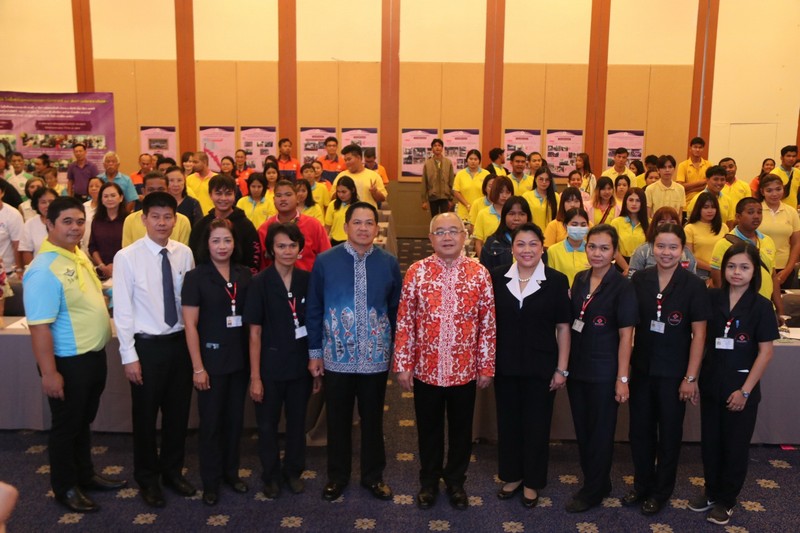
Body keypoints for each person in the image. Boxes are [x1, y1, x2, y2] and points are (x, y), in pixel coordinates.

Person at [23, 196, 125, 513]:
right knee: (67, 427)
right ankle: (65, 487)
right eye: (67, 222)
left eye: (80, 221)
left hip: (91, 355)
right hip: (67, 361)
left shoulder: (76, 254)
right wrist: (49, 373)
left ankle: (85, 475)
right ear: (48, 224)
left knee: (82, 423)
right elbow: (39, 327)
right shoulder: (43, 269)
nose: (75, 228)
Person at [394, 212, 495, 510]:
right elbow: (405, 321)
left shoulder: (480, 273)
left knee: (462, 431)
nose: (447, 237)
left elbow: (488, 324)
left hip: (465, 370)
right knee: (429, 429)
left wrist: (486, 365)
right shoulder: (417, 271)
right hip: (426, 369)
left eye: (453, 231)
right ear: (430, 238)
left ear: (464, 236)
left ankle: (455, 482)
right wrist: (403, 364)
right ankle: (428, 481)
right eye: (440, 232)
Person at [307, 202, 402, 502]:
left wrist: (397, 351)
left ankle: (373, 476)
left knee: (373, 420)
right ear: (346, 226)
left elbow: (396, 310)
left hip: (375, 356)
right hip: (337, 355)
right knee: (338, 420)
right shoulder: (325, 261)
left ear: (377, 227)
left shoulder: (388, 263)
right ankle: (338, 476)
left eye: (369, 222)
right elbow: (314, 308)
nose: (363, 228)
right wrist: (315, 352)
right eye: (357, 222)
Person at [113, 192, 197, 508]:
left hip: (179, 344)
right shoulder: (127, 257)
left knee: (178, 415)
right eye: (156, 217)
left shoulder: (184, 253)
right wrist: (129, 356)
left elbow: (189, 303)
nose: (162, 223)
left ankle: (172, 472)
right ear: (144, 219)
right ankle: (147, 478)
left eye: (168, 217)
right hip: (146, 347)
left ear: (176, 220)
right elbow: (123, 310)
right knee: (146, 417)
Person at [688, 243, 778, 526]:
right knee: (711, 443)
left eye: (744, 267)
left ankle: (727, 500)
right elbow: (701, 340)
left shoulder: (761, 306)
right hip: (712, 382)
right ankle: (711, 491)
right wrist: (694, 378)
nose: (736, 272)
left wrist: (745, 391)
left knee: (734, 446)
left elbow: (766, 352)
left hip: (741, 387)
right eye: (731, 266)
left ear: (754, 272)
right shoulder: (712, 297)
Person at [624, 224, 710, 515]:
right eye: (661, 246)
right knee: (639, 432)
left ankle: (661, 492)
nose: (666, 252)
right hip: (642, 368)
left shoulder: (694, 285)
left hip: (675, 373)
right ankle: (642, 485)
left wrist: (691, 377)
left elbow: (699, 334)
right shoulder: (640, 279)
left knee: (669, 435)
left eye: (673, 247)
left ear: (683, 250)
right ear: (652, 247)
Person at [491, 223, 570, 508]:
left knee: (537, 425)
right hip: (505, 365)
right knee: (508, 423)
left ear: (542, 247)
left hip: (542, 367)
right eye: (521, 244)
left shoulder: (557, 280)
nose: (527, 250)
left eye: (533, 243)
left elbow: (563, 327)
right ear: (512, 248)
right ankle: (512, 475)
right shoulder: (496, 277)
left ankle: (533, 481)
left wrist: (561, 369)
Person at [565, 224, 637, 513]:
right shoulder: (580, 279)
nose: (597, 253)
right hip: (578, 368)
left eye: (604, 248)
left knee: (600, 432)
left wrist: (622, 378)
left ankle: (593, 490)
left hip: (605, 371)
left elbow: (626, 336)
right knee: (583, 429)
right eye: (592, 246)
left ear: (615, 252)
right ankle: (598, 481)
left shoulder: (623, 286)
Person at [182, 218, 251, 506]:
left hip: (239, 361)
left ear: (235, 243)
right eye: (216, 241)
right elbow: (190, 325)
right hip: (210, 363)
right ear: (206, 244)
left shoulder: (245, 274)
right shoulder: (196, 277)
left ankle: (231, 473)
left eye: (227, 240)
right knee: (211, 424)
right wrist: (198, 367)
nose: (222, 246)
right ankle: (210, 481)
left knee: (235, 421)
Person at [245, 222, 314, 499]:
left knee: (297, 424)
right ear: (271, 250)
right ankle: (271, 475)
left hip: (300, 366)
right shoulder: (259, 282)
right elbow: (254, 333)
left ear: (300, 249)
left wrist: (316, 366)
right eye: (281, 246)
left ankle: (293, 471)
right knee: (267, 426)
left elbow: (314, 324)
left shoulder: (307, 280)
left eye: (292, 245)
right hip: (269, 368)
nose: (287, 251)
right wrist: (255, 377)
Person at [709, 198, 780, 316]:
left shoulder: (768, 241)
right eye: (751, 212)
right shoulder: (724, 243)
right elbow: (718, 281)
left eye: (759, 212)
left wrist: (780, 309)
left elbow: (773, 277)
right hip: (737, 308)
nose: (756, 216)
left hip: (765, 307)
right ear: (738, 216)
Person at [189, 175, 261, 275]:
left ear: (235, 195)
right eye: (218, 193)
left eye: (228, 194)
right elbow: (194, 258)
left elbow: (253, 259)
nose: (223, 198)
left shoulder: (246, 226)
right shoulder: (201, 226)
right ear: (210, 195)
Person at [257, 180, 330, 271]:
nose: (283, 199)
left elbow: (327, 258)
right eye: (278, 195)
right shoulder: (264, 229)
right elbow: (262, 265)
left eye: (288, 195)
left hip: (309, 278)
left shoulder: (314, 225)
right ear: (274, 200)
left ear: (297, 198)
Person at [121, 171, 193, 247]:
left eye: (161, 189)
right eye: (151, 190)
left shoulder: (182, 221)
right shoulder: (130, 220)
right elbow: (127, 251)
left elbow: (182, 251)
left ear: (168, 190)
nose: (156, 194)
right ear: (143, 191)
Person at [757, 174, 800, 289]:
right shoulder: (756, 210)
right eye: (769, 190)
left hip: (784, 268)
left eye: (778, 189)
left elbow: (796, 243)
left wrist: (788, 269)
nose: (774, 194)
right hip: (759, 266)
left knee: (783, 299)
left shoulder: (791, 212)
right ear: (762, 192)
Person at [628, 207, 697, 277]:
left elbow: (692, 279)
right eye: (662, 222)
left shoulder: (686, 253)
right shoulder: (642, 251)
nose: (667, 225)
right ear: (655, 225)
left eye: (672, 222)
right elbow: (632, 278)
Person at [479, 196, 532, 271]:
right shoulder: (492, 243)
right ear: (504, 217)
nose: (516, 218)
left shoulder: (536, 243)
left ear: (528, 217)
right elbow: (485, 273)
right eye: (511, 214)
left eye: (522, 214)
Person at [685, 192, 729, 280]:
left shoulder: (723, 227)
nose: (710, 211)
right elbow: (689, 257)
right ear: (699, 209)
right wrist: (712, 268)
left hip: (722, 271)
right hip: (699, 272)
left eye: (713, 207)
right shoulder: (689, 228)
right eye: (706, 207)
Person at [88, 182, 127, 280]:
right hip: (103, 272)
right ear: (101, 199)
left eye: (113, 195)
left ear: (121, 198)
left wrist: (115, 265)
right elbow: (92, 246)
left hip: (125, 269)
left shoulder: (128, 220)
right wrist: (102, 265)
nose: (109, 199)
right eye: (105, 196)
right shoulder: (96, 220)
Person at [331, 144, 387, 209]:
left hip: (368, 213)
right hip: (345, 213)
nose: (347, 163)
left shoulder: (374, 176)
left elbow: (382, 199)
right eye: (345, 160)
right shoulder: (341, 176)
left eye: (349, 159)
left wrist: (375, 192)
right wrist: (341, 192)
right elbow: (332, 199)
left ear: (359, 158)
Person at [546, 207, 590, 286]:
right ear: (565, 226)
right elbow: (550, 278)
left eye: (583, 225)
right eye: (574, 224)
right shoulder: (553, 251)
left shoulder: (592, 250)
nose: (579, 228)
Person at [610, 188, 649, 274]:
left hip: (644, 267)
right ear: (625, 202)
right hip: (621, 267)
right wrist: (627, 269)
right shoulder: (616, 222)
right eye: (631, 200)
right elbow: (614, 249)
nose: (634, 204)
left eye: (638, 201)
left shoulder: (650, 223)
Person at [473, 176, 513, 257]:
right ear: (494, 192)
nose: (504, 195)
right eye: (501, 192)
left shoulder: (514, 214)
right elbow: (478, 242)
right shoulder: (483, 214)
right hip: (489, 257)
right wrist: (483, 261)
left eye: (508, 192)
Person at [19, 187, 58, 266]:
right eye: (43, 202)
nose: (48, 205)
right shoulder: (30, 224)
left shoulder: (65, 221)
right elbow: (27, 251)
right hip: (39, 268)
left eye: (51, 201)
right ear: (37, 205)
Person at [421, 138, 455, 216]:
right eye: (435, 146)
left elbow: (451, 181)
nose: (437, 147)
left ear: (442, 148)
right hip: (433, 197)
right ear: (432, 149)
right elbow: (424, 182)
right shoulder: (427, 164)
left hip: (445, 197)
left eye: (439, 145)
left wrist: (451, 199)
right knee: (434, 218)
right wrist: (424, 200)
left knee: (445, 218)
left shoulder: (448, 163)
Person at [325, 176, 358, 246]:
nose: (341, 195)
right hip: (334, 242)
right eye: (338, 192)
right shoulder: (332, 205)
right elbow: (327, 227)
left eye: (344, 192)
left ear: (352, 190)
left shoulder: (359, 206)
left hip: (353, 243)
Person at [676, 137, 711, 201]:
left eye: (700, 147)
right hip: (687, 202)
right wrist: (702, 182)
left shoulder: (708, 164)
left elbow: (710, 185)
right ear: (690, 149)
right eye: (695, 147)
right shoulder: (683, 165)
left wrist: (690, 190)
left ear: (703, 149)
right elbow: (680, 187)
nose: (697, 150)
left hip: (704, 202)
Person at [0, 186, 23, 282]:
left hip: (7, 271)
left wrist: (19, 269)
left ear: (2, 193)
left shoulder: (13, 214)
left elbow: (17, 244)